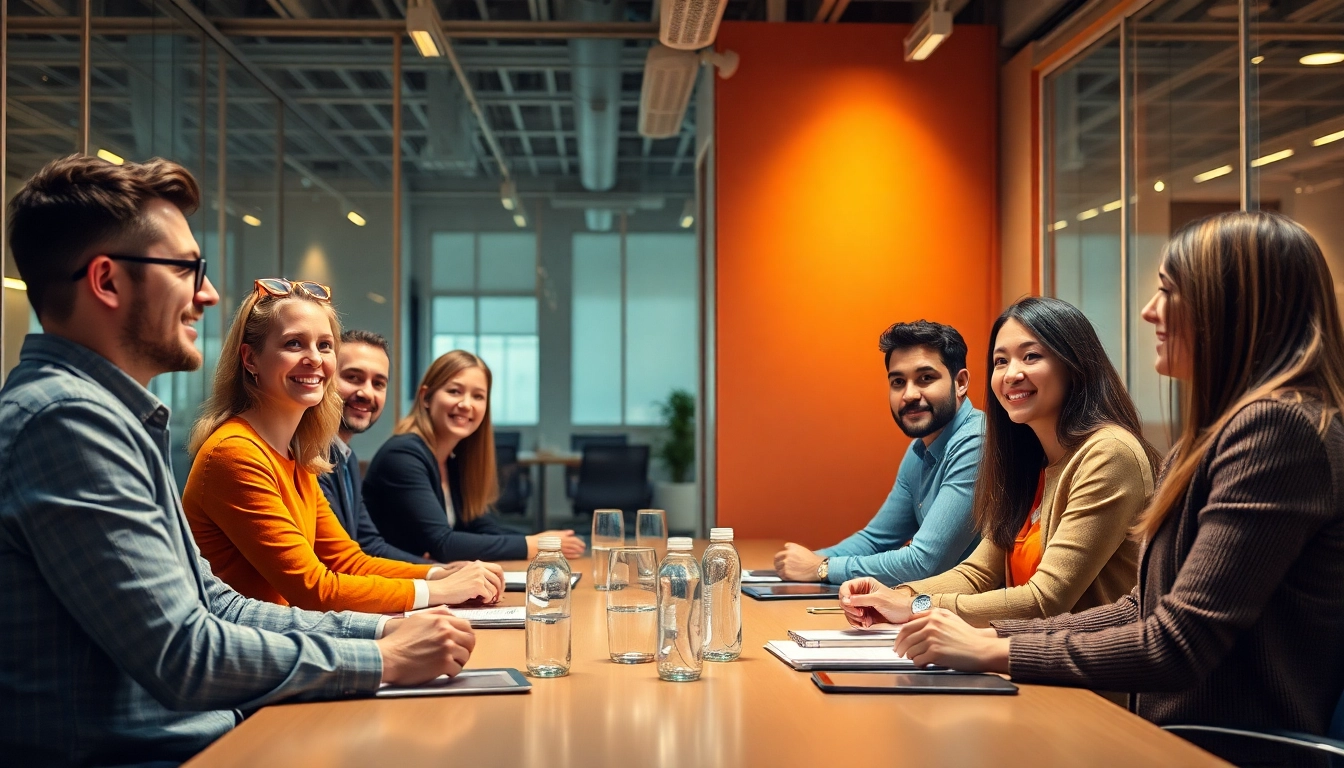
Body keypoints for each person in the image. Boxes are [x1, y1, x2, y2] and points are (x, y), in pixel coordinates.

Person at [0, 154, 472, 766]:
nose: (208, 293)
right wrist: (381, 658)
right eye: (186, 269)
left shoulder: (114, 418)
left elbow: (217, 604)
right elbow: (184, 654)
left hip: (213, 730)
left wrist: (385, 631)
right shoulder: (66, 422)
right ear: (107, 281)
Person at [881, 212, 1344, 765]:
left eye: (1169, 291)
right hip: (1166, 736)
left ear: (1235, 304)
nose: (1150, 311)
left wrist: (995, 649)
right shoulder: (1208, 439)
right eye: (1001, 361)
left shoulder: (1278, 430)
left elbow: (1176, 641)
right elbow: (1140, 607)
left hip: (1215, 750)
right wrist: (986, 637)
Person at [183, 281, 503, 613]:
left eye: (324, 345)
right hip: (249, 640)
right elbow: (314, 589)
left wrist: (440, 574)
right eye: (294, 343)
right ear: (250, 359)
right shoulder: (235, 452)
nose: (314, 358)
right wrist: (438, 590)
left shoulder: (298, 455)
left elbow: (348, 560)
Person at [841, 297, 1159, 627]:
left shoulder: (1109, 453)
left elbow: (1045, 600)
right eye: (1001, 361)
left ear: (1073, 364)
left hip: (1091, 659)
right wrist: (895, 596)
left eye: (1031, 356)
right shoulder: (1027, 460)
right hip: (1030, 649)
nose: (1011, 374)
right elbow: (976, 574)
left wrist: (914, 606)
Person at [773, 320, 983, 585]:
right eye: (898, 382)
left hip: (976, 609)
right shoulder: (920, 449)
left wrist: (822, 568)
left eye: (925, 378)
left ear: (960, 382)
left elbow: (924, 562)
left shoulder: (977, 441)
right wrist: (808, 561)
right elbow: (875, 540)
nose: (909, 394)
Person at [364, 350, 586, 562]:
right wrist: (536, 545)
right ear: (426, 398)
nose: (466, 405)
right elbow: (444, 544)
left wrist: (542, 541)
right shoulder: (403, 455)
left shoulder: (452, 460)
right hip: (390, 584)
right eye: (454, 391)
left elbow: (484, 529)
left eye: (478, 396)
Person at [318, 328, 436, 564]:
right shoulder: (309, 456)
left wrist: (441, 570)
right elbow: (339, 561)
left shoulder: (347, 457)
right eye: (353, 377)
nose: (367, 393)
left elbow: (369, 545)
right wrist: (439, 576)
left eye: (378, 383)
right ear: (325, 379)